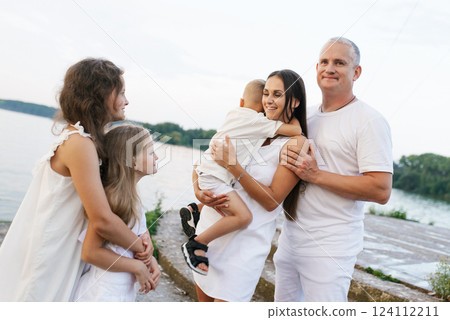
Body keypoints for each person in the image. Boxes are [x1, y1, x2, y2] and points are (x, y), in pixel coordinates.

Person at [0, 58, 152, 301]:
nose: (126, 100)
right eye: (121, 92)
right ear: (100, 95)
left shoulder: (88, 140)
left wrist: (143, 239)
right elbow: (101, 219)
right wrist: (142, 251)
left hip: (67, 245)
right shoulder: (79, 143)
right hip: (53, 248)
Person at [275, 37, 393, 302]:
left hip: (331, 246)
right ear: (316, 68)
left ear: (356, 72)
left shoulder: (370, 121)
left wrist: (315, 175)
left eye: (339, 62)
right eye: (324, 62)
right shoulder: (305, 117)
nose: (329, 68)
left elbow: (381, 190)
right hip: (291, 239)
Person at [190, 70, 309, 302]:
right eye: (266, 93)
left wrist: (234, 166)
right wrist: (198, 191)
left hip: (244, 248)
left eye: (277, 94)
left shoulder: (296, 143)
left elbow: (272, 201)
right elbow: (203, 160)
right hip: (210, 237)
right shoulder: (253, 124)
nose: (269, 100)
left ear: (294, 101)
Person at [73, 124, 161, 301]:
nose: (157, 157)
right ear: (133, 160)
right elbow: (90, 253)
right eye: (151, 152)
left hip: (119, 291)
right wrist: (136, 267)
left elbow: (134, 236)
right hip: (102, 294)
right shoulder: (114, 200)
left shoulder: (132, 198)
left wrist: (151, 260)